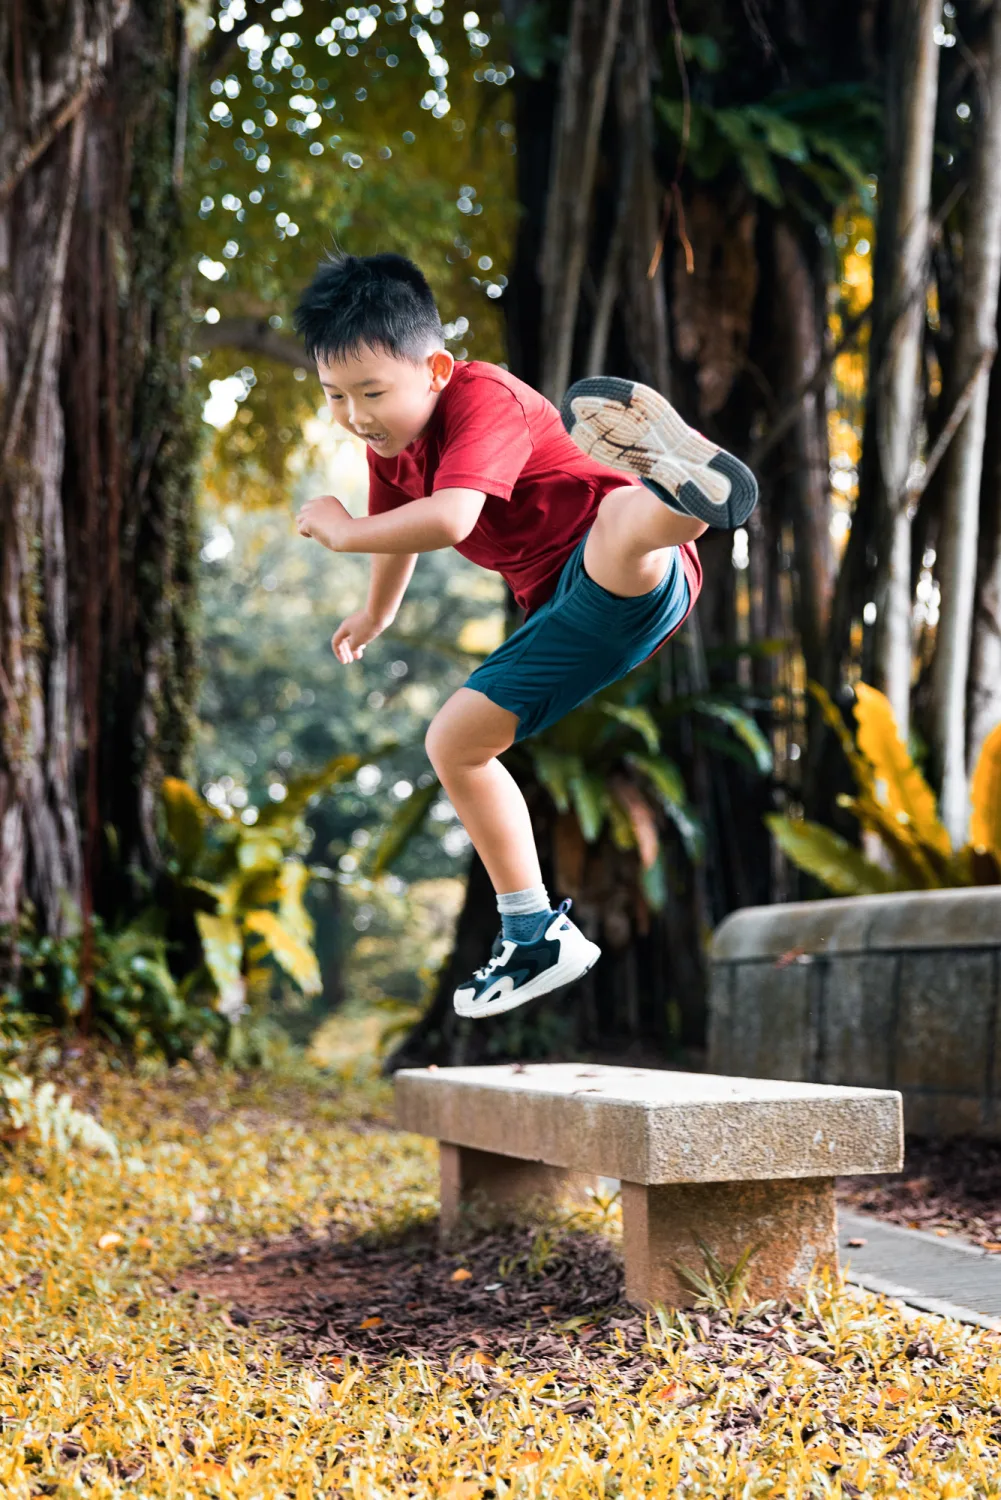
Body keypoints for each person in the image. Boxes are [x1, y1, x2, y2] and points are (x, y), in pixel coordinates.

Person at [293, 252, 757, 1022]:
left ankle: (685, 497)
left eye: (371, 392)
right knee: (456, 743)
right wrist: (376, 612)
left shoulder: (483, 398)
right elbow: (398, 534)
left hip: (612, 574)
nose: (354, 415)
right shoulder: (391, 446)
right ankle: (534, 931)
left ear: (437, 368)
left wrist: (340, 532)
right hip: (566, 607)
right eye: (335, 396)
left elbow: (447, 521)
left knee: (617, 526)